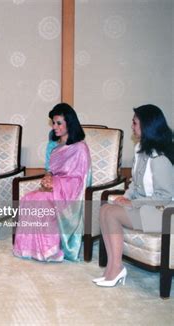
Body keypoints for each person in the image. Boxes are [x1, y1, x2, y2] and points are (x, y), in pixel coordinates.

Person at [94, 104, 174, 287]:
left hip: (164, 213)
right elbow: (134, 184)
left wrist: (133, 202)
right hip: (147, 207)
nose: (132, 126)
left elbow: (165, 196)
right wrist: (127, 196)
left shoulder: (160, 158)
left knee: (112, 213)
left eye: (135, 122)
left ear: (147, 125)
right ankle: (112, 268)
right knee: (106, 208)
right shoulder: (141, 150)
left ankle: (115, 269)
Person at [13, 103, 91, 262]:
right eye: (53, 123)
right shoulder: (56, 147)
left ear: (69, 123)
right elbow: (52, 170)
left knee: (40, 201)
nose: (54, 127)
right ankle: (31, 249)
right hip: (55, 187)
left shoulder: (80, 148)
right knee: (28, 198)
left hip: (70, 193)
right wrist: (48, 177)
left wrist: (56, 185)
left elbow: (81, 179)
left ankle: (50, 250)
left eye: (59, 123)